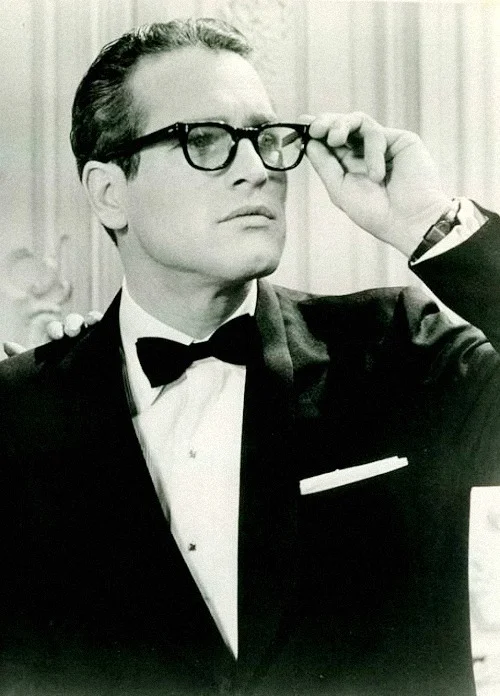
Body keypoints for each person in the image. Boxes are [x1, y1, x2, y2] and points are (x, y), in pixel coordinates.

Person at [0, 17, 499, 696]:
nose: (258, 169)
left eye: (264, 138)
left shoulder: (398, 349)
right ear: (109, 192)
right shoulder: (20, 414)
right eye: (204, 140)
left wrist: (426, 220)